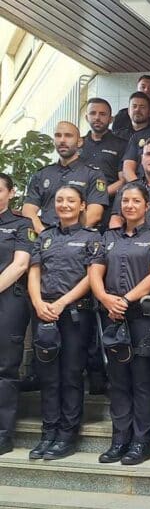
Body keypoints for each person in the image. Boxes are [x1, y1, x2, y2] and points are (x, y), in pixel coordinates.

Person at [90, 182, 150, 465]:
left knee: (143, 379)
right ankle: (119, 439)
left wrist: (124, 300)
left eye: (136, 201)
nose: (130, 205)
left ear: (147, 206)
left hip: (142, 317)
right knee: (119, 380)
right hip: (112, 316)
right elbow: (95, 272)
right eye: (125, 201)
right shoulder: (107, 237)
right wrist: (106, 299)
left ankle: (141, 442)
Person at [27, 186, 100, 460]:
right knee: (48, 376)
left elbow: (91, 277)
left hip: (74, 314)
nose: (64, 204)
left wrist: (62, 303)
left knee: (70, 374)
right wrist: (38, 303)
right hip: (44, 313)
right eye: (60, 200)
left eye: (71, 200)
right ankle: (48, 432)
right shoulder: (44, 236)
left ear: (82, 205)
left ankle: (67, 435)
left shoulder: (92, 238)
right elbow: (34, 271)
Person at [0, 174, 35, 455]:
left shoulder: (22, 226)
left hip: (8, 302)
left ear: (11, 193)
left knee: (4, 369)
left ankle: (3, 433)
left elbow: (21, 264)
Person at [23, 121, 108, 233]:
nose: (62, 140)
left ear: (79, 142)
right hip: (44, 237)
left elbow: (95, 214)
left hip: (77, 240)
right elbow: (28, 210)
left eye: (68, 136)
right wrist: (44, 234)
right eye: (58, 135)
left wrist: (66, 237)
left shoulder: (93, 174)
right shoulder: (42, 174)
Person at [81, 98, 127, 200]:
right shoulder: (77, 144)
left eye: (102, 114)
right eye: (93, 113)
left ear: (111, 119)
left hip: (108, 204)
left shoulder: (122, 145)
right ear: (86, 118)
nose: (97, 117)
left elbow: (123, 180)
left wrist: (98, 196)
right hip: (76, 203)